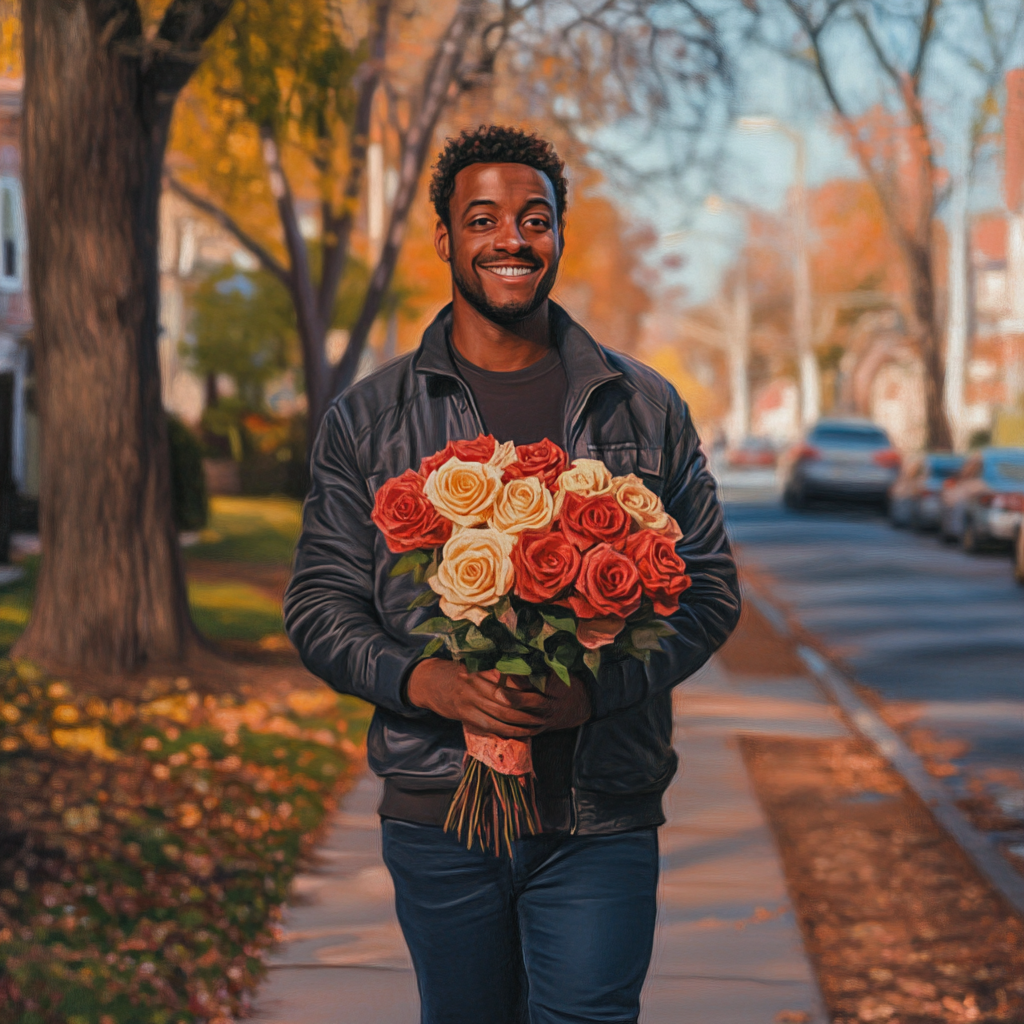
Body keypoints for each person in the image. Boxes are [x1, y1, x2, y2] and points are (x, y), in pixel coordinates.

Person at [284, 124, 741, 1024]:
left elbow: (710, 589)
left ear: (560, 235)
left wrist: (595, 692)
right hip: (441, 808)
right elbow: (320, 602)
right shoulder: (370, 418)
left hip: (602, 809)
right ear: (446, 239)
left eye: (535, 218)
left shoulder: (641, 404)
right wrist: (427, 681)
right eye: (483, 218)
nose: (511, 239)